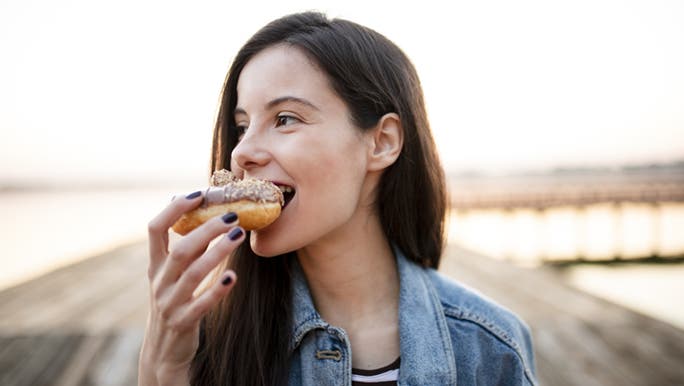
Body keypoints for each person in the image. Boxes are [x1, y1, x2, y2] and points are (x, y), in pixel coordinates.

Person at [139, 11, 537, 386]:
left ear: (381, 142)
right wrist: (166, 374)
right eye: (242, 126)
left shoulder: (489, 348)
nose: (241, 153)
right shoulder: (205, 341)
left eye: (285, 119)